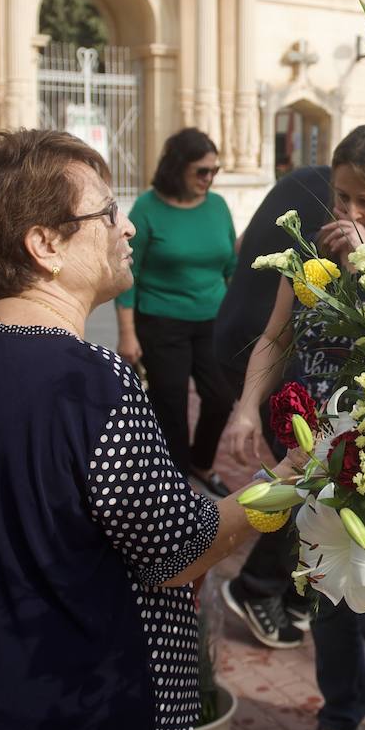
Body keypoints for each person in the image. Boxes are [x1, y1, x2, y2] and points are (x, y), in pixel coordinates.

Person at [0, 129, 306, 730]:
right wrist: (282, 485)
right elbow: (174, 552)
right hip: (70, 694)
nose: (127, 227)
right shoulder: (92, 381)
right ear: (44, 245)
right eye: (107, 213)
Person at [220, 125, 365, 730]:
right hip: (315, 452)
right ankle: (337, 719)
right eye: (341, 199)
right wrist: (248, 408)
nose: (350, 215)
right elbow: (277, 335)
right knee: (326, 603)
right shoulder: (309, 251)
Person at [211, 164, 333, 648]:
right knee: (303, 479)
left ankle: (295, 595)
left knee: (309, 479)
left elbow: (243, 246)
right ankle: (256, 587)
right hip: (264, 351)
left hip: (239, 330)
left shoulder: (301, 178)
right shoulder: (348, 209)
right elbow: (278, 330)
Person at [115, 127, 237, 496]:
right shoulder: (148, 208)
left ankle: (200, 461)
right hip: (161, 320)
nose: (209, 179)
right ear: (177, 167)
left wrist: (237, 316)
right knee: (170, 403)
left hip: (213, 318)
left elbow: (231, 265)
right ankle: (176, 479)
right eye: (202, 171)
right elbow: (128, 273)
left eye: (214, 171)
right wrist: (127, 332)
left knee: (220, 396)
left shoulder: (217, 206)